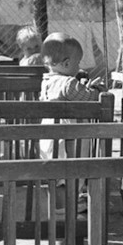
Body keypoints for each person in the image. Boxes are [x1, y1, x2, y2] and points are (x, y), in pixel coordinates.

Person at [39, 32, 105, 213]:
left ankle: (58, 204)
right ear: (67, 64)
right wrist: (96, 90)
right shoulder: (68, 83)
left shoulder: (47, 82)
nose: (78, 67)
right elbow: (89, 98)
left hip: (49, 136)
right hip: (67, 136)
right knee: (72, 170)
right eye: (77, 63)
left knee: (57, 174)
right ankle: (68, 205)